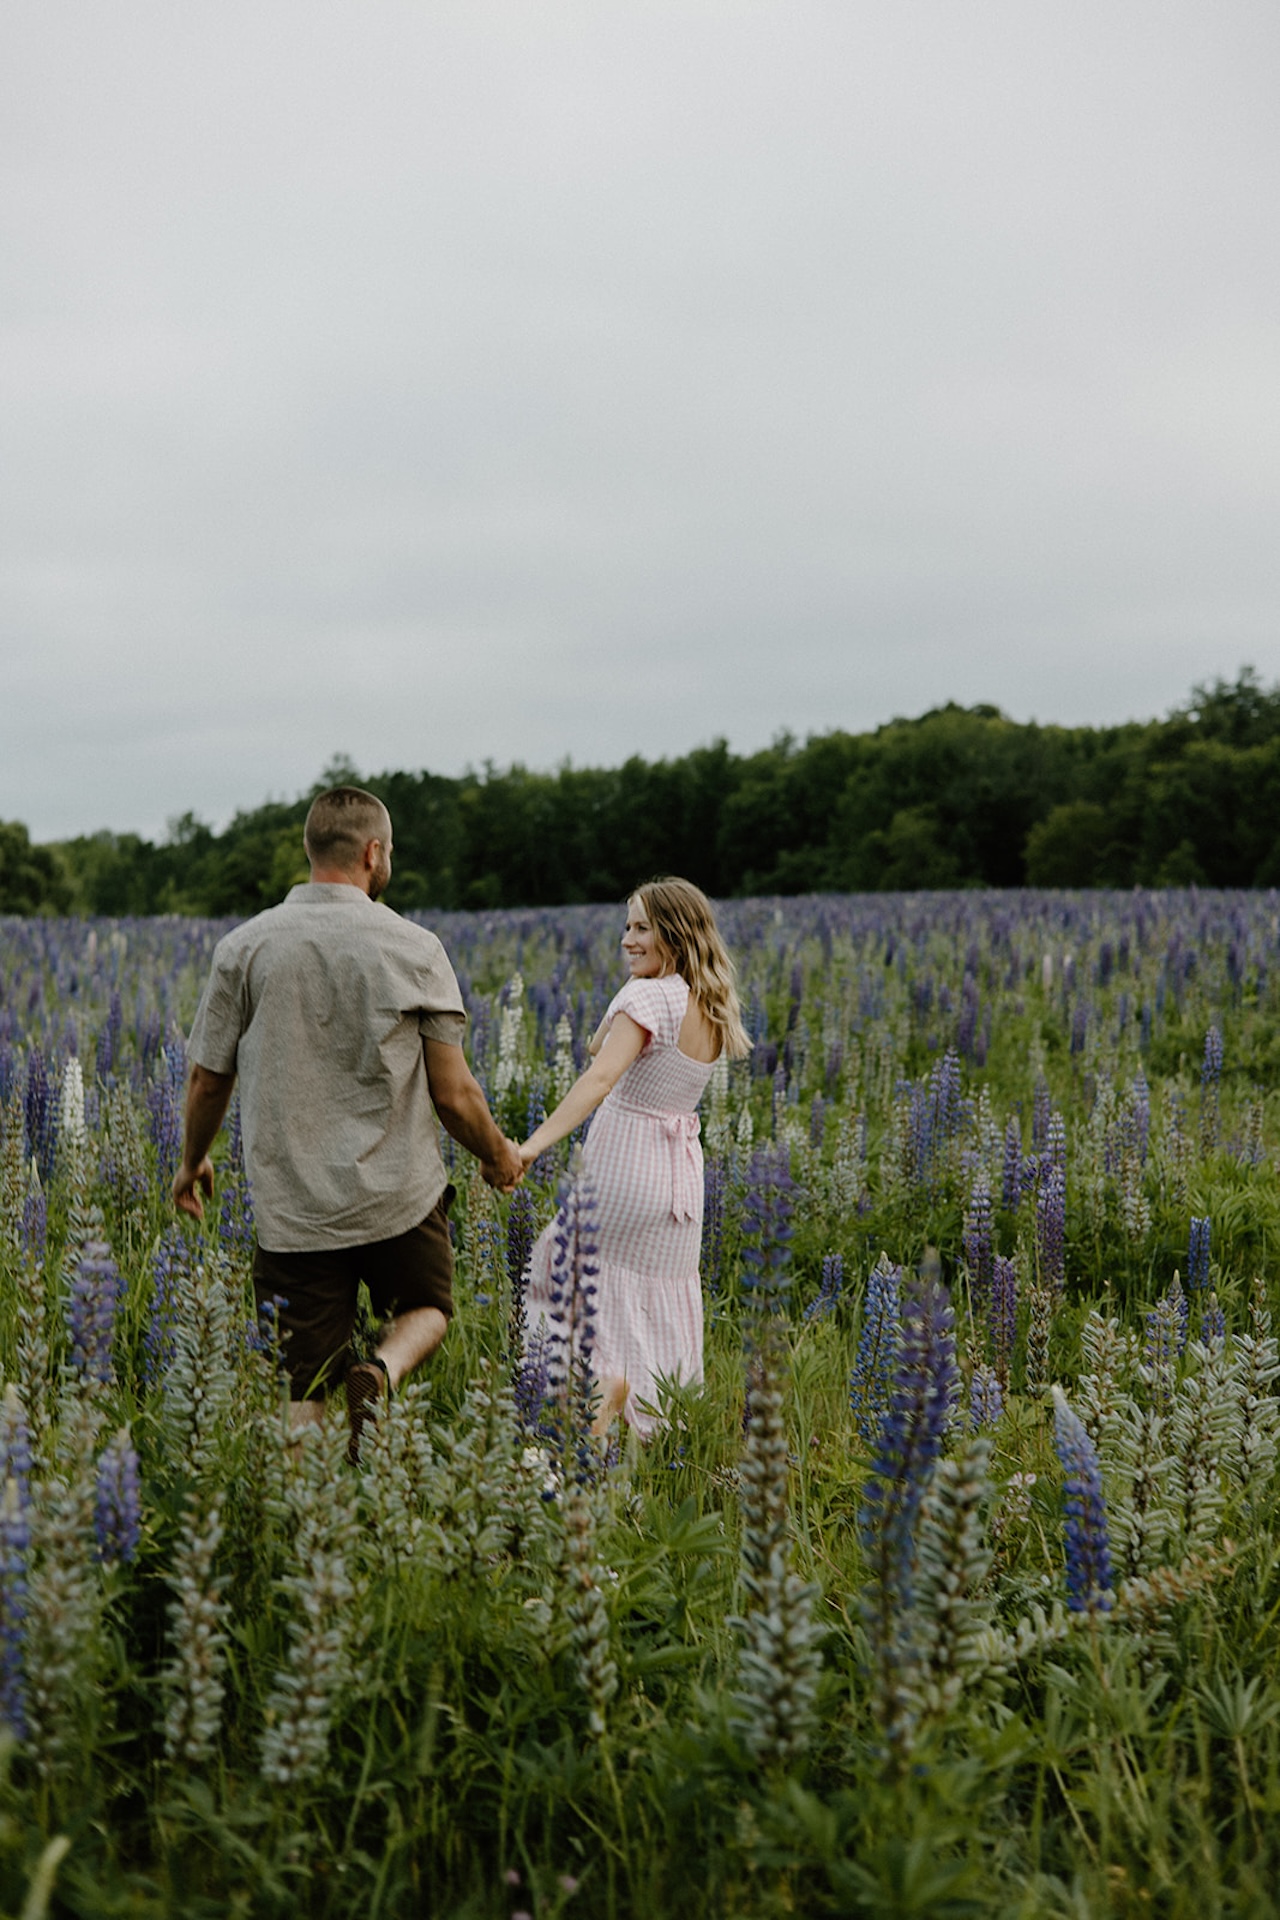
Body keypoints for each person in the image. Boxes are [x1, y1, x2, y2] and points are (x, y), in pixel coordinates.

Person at [173, 785, 523, 1457]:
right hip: (399, 1194)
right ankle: (382, 1370)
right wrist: (498, 1154)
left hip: (295, 1206)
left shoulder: (244, 948)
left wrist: (193, 1162)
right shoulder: (415, 947)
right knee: (428, 1308)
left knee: (301, 1386)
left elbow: (207, 1079)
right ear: (373, 853)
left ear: (311, 851)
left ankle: (309, 1527)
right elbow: (454, 1096)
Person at [519, 877, 749, 1435]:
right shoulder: (711, 1005)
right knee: (655, 1300)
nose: (628, 939)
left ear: (672, 934)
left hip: (622, 1169)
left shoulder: (646, 997)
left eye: (642, 927)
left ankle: (589, 1420)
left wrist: (530, 1146)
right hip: (678, 1190)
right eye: (627, 926)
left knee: (571, 1275)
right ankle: (647, 1432)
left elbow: (599, 1071)